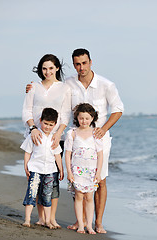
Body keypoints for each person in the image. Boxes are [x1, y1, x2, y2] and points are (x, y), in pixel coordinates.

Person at [26, 48, 124, 233]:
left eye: (84, 63)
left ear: (90, 62)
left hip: (98, 138)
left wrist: (103, 129)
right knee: (76, 180)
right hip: (74, 138)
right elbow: (51, 90)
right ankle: (81, 221)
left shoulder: (106, 84)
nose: (81, 67)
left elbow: (118, 109)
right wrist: (33, 88)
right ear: (74, 65)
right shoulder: (68, 84)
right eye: (77, 64)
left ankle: (98, 223)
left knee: (100, 180)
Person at [22, 54, 71, 228]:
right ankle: (41, 218)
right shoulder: (34, 87)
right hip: (35, 135)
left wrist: (59, 133)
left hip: (56, 137)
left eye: (51, 68)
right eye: (44, 68)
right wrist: (32, 128)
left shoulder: (65, 88)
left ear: (57, 68)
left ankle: (52, 218)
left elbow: (65, 114)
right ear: (40, 70)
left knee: (52, 179)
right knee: (36, 176)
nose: (47, 71)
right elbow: (27, 111)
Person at [20, 108, 64, 229]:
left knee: (47, 195)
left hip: (50, 171)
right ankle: (27, 219)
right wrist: (26, 166)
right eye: (45, 123)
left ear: (55, 125)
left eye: (51, 125)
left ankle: (48, 221)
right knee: (32, 193)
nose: (47, 127)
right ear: (40, 121)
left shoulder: (54, 138)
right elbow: (27, 152)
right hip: (35, 169)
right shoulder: (34, 135)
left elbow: (57, 155)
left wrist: (61, 169)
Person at [65, 103, 103, 234]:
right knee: (79, 197)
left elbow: (100, 154)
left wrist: (98, 172)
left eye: (87, 118)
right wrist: (69, 172)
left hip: (91, 172)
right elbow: (68, 153)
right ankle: (80, 225)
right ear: (77, 118)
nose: (84, 121)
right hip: (77, 170)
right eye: (81, 118)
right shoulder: (72, 133)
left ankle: (90, 226)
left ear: (92, 118)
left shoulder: (95, 133)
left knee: (89, 198)